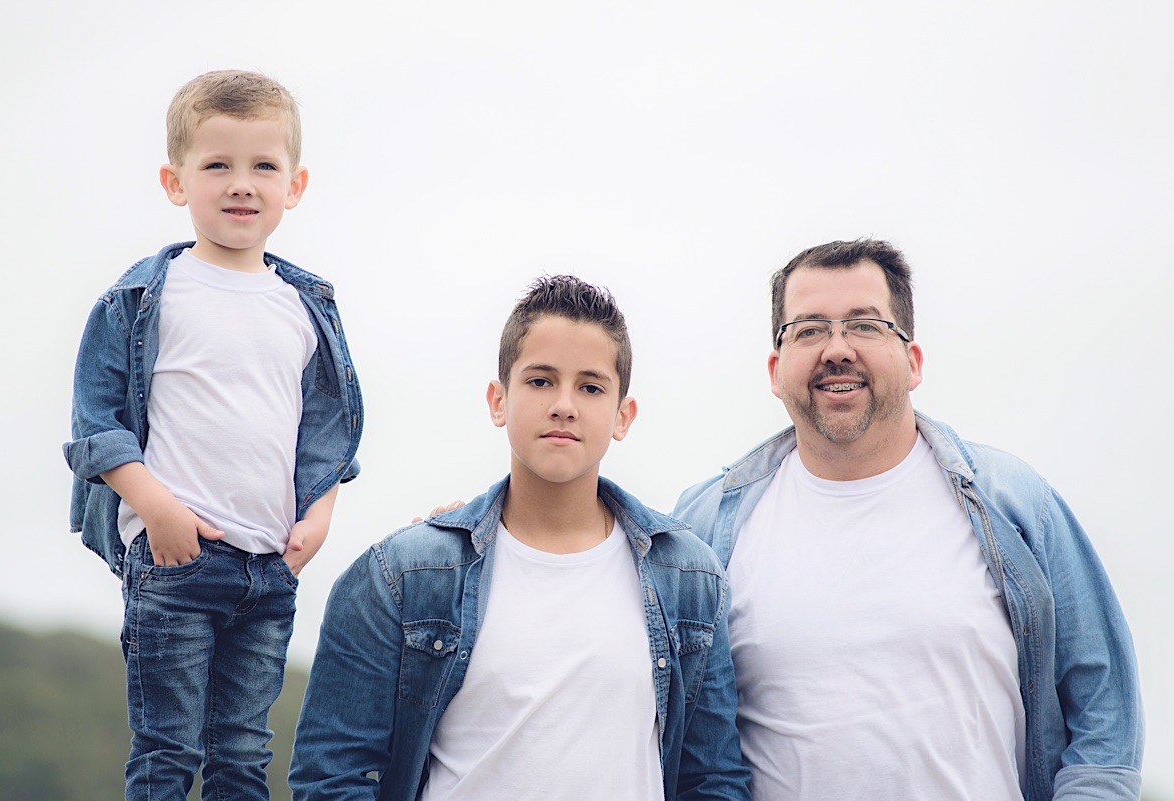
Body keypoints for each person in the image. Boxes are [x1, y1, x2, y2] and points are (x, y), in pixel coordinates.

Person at [673, 238, 1143, 801]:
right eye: (809, 329)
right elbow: (685, 751)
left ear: (913, 362)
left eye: (866, 325)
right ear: (776, 370)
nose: (837, 349)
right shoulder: (702, 531)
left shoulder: (1015, 503)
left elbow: (1103, 724)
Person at [289, 275, 749, 800]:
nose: (564, 405)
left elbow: (713, 780)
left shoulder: (690, 578)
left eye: (591, 387)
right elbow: (331, 775)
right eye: (540, 381)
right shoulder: (401, 576)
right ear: (498, 401)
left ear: (623, 416)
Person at [62, 70, 363, 800]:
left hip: (270, 567)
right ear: (176, 182)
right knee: (167, 751)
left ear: (294, 185)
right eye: (217, 165)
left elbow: (328, 431)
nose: (242, 184)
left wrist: (319, 516)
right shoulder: (145, 297)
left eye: (264, 166)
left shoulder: (304, 307)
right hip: (176, 559)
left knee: (242, 755)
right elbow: (95, 423)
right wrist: (157, 510)